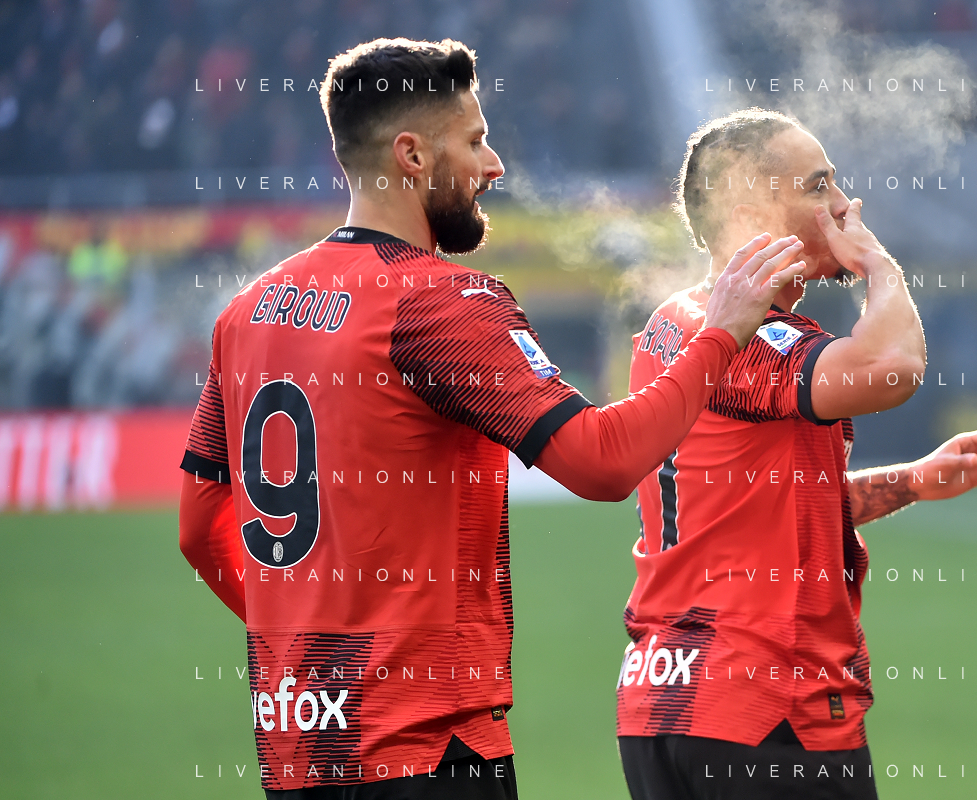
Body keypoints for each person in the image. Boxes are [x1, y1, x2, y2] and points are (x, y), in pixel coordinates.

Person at [176, 41, 806, 799]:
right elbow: (603, 461)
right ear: (412, 155)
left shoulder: (247, 311)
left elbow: (199, 524)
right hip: (428, 747)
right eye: (474, 141)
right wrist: (722, 333)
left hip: (302, 748)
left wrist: (315, 655)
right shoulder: (437, 301)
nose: (494, 164)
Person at [616, 108, 977, 800]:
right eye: (817, 185)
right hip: (767, 704)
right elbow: (891, 367)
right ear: (750, 213)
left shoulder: (671, 323)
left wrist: (912, 482)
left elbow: (757, 511)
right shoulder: (743, 334)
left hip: (663, 704)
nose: (842, 205)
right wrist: (876, 262)